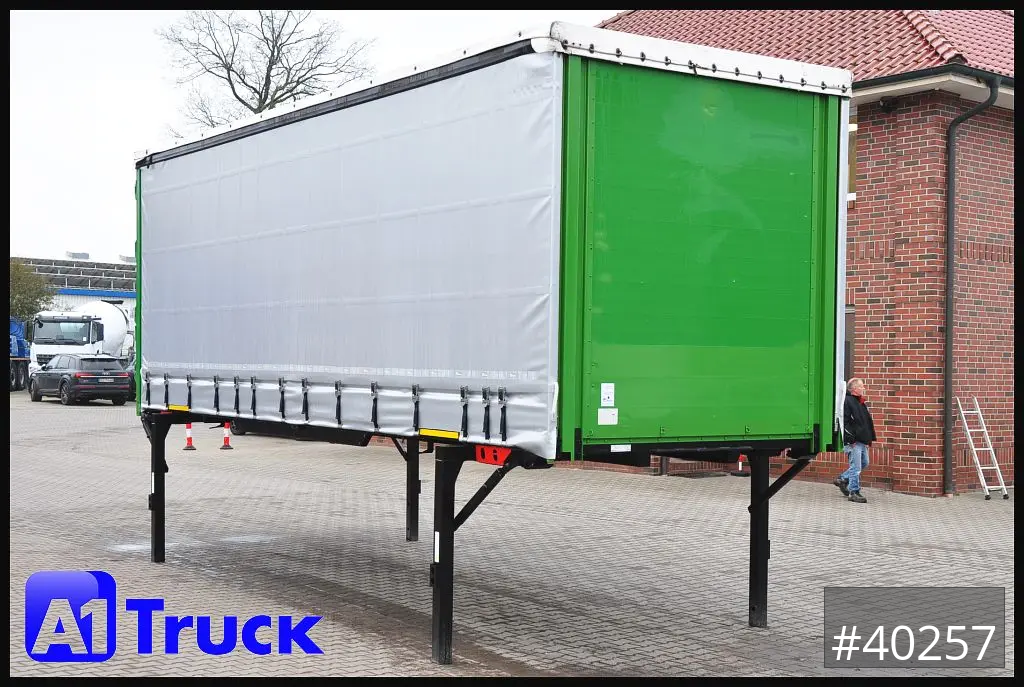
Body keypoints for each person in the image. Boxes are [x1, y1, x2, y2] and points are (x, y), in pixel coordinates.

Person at [835, 378, 877, 503]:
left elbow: (865, 423)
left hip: (861, 441)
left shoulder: (860, 402)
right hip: (853, 441)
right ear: (854, 389)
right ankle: (853, 492)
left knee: (864, 463)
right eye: (861, 386)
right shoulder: (848, 401)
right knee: (856, 467)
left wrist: (868, 439)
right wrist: (850, 439)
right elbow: (845, 421)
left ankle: (842, 479)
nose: (863, 388)